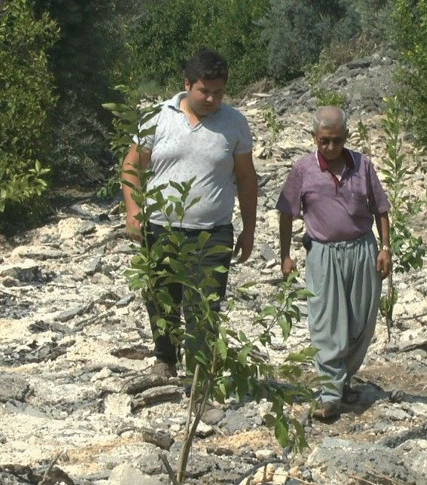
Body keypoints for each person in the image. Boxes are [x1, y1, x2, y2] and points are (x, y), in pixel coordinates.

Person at [120, 49, 258, 379]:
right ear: (187, 84)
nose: (211, 99)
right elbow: (131, 165)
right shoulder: (157, 117)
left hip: (213, 233)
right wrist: (133, 211)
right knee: (161, 298)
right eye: (204, 91)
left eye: (218, 92)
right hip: (160, 228)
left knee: (204, 308)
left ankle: (199, 381)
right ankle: (164, 360)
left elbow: (246, 178)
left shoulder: (235, 123)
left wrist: (249, 229)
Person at [276, 106, 391, 419]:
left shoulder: (362, 165)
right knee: (326, 323)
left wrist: (386, 248)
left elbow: (381, 208)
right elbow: (286, 212)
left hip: (362, 250)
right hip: (324, 253)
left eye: (336, 141)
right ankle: (329, 395)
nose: (330, 147)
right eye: (324, 141)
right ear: (314, 138)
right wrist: (285, 255)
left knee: (361, 323)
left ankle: (343, 381)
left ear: (347, 138)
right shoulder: (303, 170)